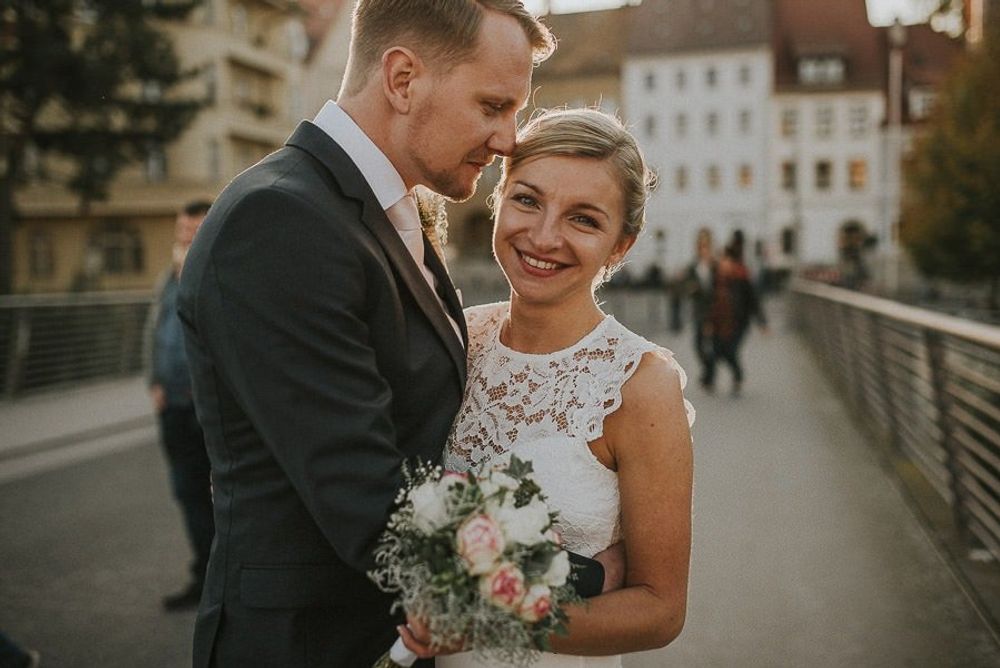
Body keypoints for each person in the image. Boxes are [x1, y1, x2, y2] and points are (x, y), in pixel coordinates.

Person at [177, 3, 610, 666]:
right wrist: (591, 573)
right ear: (403, 79)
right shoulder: (279, 220)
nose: (508, 140)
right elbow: (368, 498)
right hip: (311, 645)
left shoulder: (380, 209)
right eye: (493, 106)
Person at [407, 109, 695, 666]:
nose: (543, 236)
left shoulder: (639, 386)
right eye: (527, 200)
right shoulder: (455, 338)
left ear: (621, 245)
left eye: (583, 219)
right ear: (498, 199)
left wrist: (485, 622)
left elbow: (661, 611)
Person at [145, 200, 215, 611]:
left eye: (193, 231)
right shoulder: (167, 277)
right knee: (187, 492)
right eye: (182, 232)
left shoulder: (216, 270)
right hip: (171, 404)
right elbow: (155, 330)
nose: (185, 238)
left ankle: (223, 579)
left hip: (206, 407)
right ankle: (203, 575)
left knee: (219, 494)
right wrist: (153, 381)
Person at [705, 231, 768, 397]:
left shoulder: (741, 276)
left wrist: (762, 323)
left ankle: (737, 377)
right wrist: (708, 322)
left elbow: (753, 300)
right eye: (722, 259)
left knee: (729, 350)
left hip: (739, 322)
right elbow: (710, 301)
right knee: (716, 351)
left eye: (725, 259)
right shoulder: (717, 278)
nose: (723, 263)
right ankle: (710, 379)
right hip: (718, 322)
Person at [683, 227, 717, 391]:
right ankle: (708, 371)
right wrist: (691, 288)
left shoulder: (715, 266)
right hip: (699, 311)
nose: (703, 250)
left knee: (711, 344)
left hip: (714, 311)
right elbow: (687, 286)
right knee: (698, 345)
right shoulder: (693, 266)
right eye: (701, 247)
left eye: (706, 247)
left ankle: (709, 376)